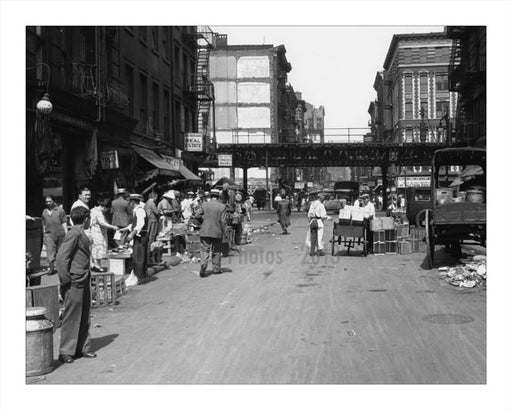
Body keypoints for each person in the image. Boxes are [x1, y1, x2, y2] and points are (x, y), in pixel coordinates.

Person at [56, 206, 96, 363]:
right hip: (74, 281)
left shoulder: (80, 233)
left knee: (84, 315)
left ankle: (82, 348)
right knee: (72, 316)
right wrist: (66, 280)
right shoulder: (74, 234)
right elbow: (61, 258)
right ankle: (66, 351)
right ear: (86, 219)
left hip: (83, 279)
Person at [198, 189, 227, 277]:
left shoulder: (204, 204)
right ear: (218, 196)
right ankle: (216, 269)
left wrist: (203, 220)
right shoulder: (222, 206)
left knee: (204, 249)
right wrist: (225, 233)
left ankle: (203, 264)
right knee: (217, 250)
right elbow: (223, 221)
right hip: (217, 231)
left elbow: (197, 215)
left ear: (210, 196)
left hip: (205, 230)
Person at [120, 194, 148, 283]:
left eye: (130, 202)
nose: (129, 204)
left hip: (141, 236)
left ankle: (140, 277)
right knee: (139, 255)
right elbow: (134, 224)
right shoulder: (136, 211)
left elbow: (140, 224)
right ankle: (141, 275)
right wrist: (125, 228)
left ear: (132, 202)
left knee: (139, 256)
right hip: (139, 236)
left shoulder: (140, 211)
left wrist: (132, 233)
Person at [89, 198, 119, 272]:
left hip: (95, 232)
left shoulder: (93, 210)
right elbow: (102, 222)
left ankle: (94, 265)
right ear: (103, 207)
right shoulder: (98, 212)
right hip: (98, 233)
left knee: (95, 250)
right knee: (98, 249)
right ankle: (97, 266)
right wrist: (113, 227)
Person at [41, 195, 68, 274]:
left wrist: (66, 233)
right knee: (50, 252)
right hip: (49, 234)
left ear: (53, 201)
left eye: (50, 201)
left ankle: (61, 269)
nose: (48, 203)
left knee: (60, 252)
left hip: (60, 234)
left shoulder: (60, 210)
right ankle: (51, 268)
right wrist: (44, 234)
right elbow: (44, 224)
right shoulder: (44, 212)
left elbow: (64, 222)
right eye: (47, 202)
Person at [144, 191, 160, 256]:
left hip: (149, 220)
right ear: (155, 197)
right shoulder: (152, 203)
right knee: (152, 235)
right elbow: (156, 212)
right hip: (153, 220)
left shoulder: (146, 203)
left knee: (150, 235)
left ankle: (149, 249)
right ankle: (150, 250)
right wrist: (159, 212)